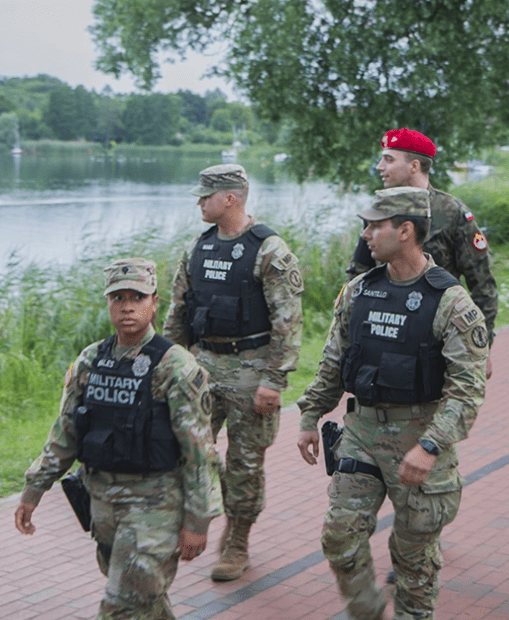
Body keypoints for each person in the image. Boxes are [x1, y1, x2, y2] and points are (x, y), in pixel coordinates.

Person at [297, 186, 488, 620]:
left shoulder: (451, 302)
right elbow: (333, 361)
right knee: (339, 538)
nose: (364, 234)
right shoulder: (358, 292)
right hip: (361, 433)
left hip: (419, 440)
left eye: (373, 225)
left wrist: (431, 445)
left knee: (413, 560)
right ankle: (365, 610)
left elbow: (467, 390)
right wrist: (311, 413)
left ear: (405, 231)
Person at [14, 257, 222, 619]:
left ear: (154, 302)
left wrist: (197, 521)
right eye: (118, 297)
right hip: (104, 507)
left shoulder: (175, 366)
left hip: (156, 508)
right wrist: (34, 489)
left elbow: (199, 451)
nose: (127, 306)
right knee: (145, 601)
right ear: (108, 302)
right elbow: (65, 433)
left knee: (121, 607)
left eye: (137, 297)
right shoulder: (90, 361)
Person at [162, 163, 304, 582]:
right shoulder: (198, 248)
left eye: (205, 196)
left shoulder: (270, 250)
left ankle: (237, 541)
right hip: (201, 369)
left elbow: (288, 321)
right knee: (186, 448)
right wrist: (166, 365)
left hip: (250, 372)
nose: (199, 203)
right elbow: (178, 313)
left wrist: (273, 380)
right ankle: (200, 512)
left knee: (244, 462)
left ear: (230, 198)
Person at [349, 128, 498, 380]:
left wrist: (482, 346)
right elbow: (358, 276)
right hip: (384, 335)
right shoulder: (380, 213)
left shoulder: (452, 213)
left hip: (437, 341)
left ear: (414, 166)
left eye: (388, 159)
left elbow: (483, 287)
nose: (379, 167)